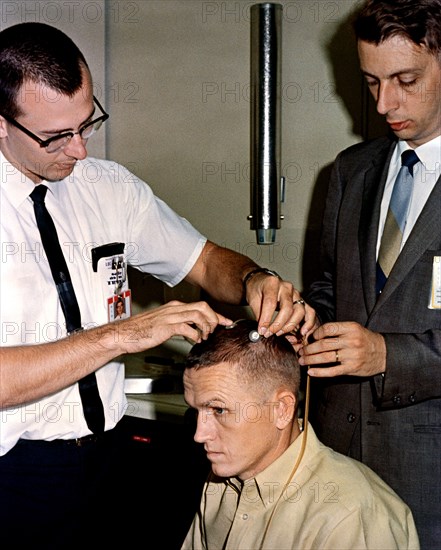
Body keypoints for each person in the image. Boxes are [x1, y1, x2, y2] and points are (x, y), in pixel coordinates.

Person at [0, 22, 315, 547]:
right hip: (15, 472)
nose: (79, 151)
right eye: (57, 136)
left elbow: (206, 261)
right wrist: (121, 335)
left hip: (109, 458)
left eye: (88, 123)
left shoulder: (109, 187)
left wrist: (254, 279)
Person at [295, 1, 441, 547]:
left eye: (406, 79)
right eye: (372, 81)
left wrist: (386, 355)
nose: (384, 103)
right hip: (339, 469)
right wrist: (307, 320)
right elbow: (333, 288)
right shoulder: (351, 171)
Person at [181, 320, 420, 550]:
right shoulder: (221, 480)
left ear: (282, 409)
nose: (199, 435)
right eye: (196, 410)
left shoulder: (349, 517)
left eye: (219, 410)